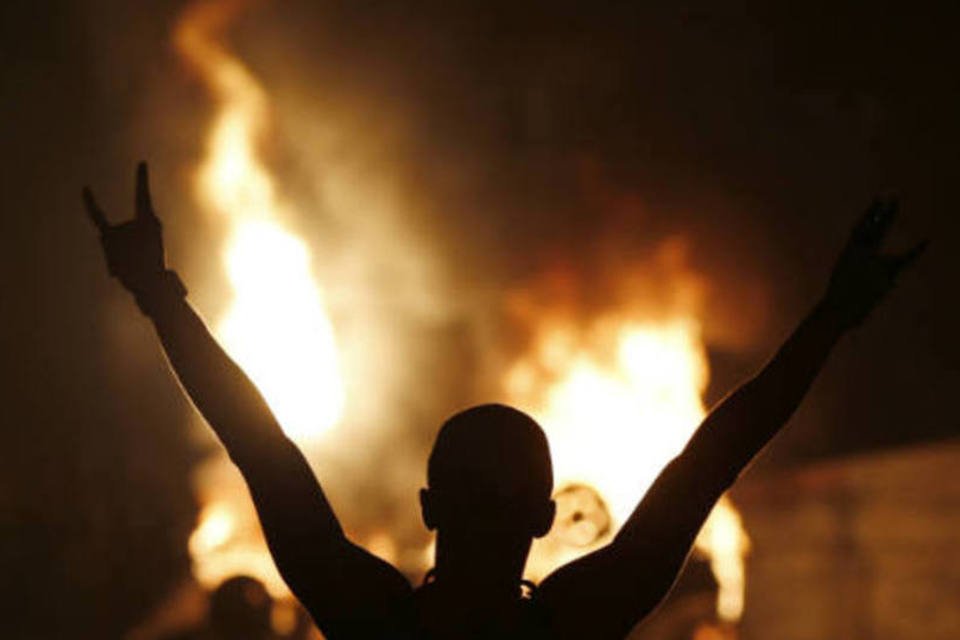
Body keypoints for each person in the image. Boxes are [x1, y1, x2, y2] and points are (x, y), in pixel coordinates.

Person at [83, 163, 925, 639]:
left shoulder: (372, 618)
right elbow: (715, 456)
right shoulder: (574, 626)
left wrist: (159, 295)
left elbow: (257, 443)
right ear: (542, 517)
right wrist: (834, 316)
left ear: (428, 506)